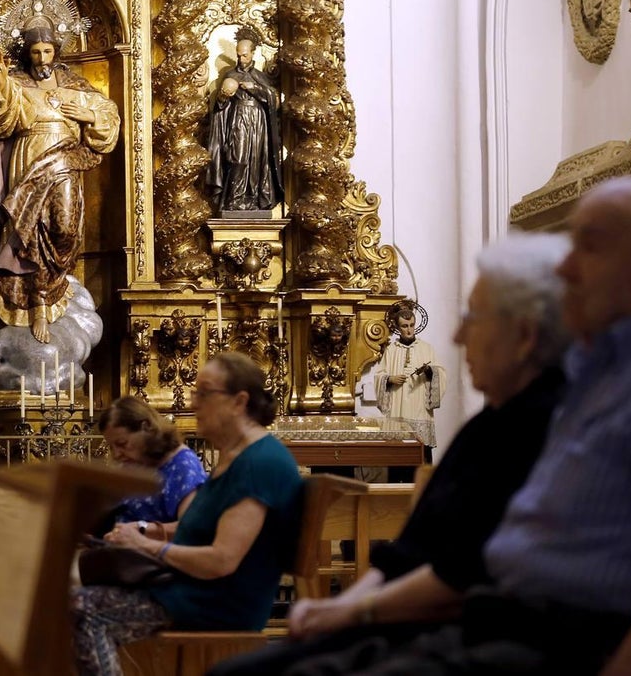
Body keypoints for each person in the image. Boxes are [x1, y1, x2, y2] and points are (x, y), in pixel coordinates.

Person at [281, 176, 631, 676]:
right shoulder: (601, 381)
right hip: (495, 626)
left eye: (590, 246)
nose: (565, 267)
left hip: (563, 645)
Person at [210, 233, 572, 676]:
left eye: (473, 319)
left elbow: (462, 574)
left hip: (461, 631)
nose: (458, 335)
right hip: (402, 615)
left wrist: (354, 612)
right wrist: (345, 602)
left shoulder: (549, 427)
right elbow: (409, 551)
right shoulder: (489, 424)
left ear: (524, 336)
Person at [70, 352, 304, 676]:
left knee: (82, 610)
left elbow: (222, 560)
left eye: (204, 394)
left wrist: (144, 545)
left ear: (239, 401)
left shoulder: (259, 463)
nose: (194, 404)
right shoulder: (235, 457)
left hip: (216, 602)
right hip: (188, 589)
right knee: (67, 596)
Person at [0, 16, 120, 344]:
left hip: (65, 161)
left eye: (48, 51)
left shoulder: (75, 85)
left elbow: (109, 115)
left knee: (63, 229)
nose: (42, 58)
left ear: (56, 51)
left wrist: (91, 116)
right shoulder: (17, 82)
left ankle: (53, 289)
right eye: (36, 52)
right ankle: (37, 302)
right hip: (28, 163)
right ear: (28, 53)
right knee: (28, 235)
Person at [92, 395, 207, 538]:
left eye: (122, 444)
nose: (116, 455)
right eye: (111, 447)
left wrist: (141, 528)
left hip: (158, 555)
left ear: (146, 428)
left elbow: (192, 528)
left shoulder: (182, 465)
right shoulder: (136, 462)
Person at [205, 28, 284, 212]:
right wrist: (223, 98)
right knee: (237, 158)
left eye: (245, 56)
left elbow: (274, 101)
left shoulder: (260, 77)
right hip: (238, 121)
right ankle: (234, 198)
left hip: (258, 123)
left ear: (253, 53)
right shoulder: (231, 76)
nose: (241, 59)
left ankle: (253, 198)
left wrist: (254, 88)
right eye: (239, 56)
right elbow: (220, 108)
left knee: (256, 161)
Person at [373, 304, 446, 452]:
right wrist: (389, 379)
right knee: (398, 458)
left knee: (420, 458)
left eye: (412, 325)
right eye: (404, 326)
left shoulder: (426, 348)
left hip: (420, 409)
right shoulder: (391, 350)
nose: (409, 329)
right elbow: (379, 376)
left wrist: (429, 371)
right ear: (397, 327)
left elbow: (441, 373)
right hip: (397, 410)